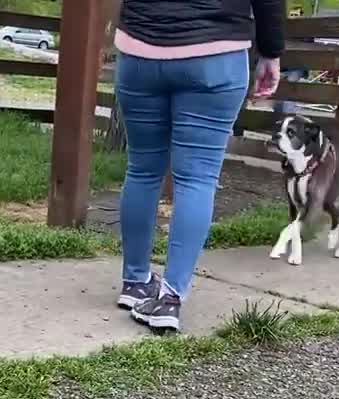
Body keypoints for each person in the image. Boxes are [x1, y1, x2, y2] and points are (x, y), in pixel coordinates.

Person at [113, 0, 285, 332]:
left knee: (142, 170)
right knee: (197, 178)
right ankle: (170, 298)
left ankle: (135, 283)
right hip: (215, 54)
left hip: (139, 50)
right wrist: (271, 51)